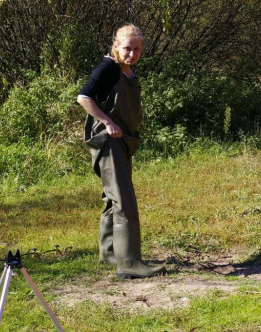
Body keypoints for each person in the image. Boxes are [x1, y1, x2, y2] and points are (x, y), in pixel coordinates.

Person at [77, 24, 166, 279]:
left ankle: (109, 253)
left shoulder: (128, 69)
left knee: (112, 197)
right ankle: (129, 263)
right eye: (127, 48)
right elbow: (84, 97)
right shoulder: (108, 67)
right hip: (109, 141)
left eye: (137, 49)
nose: (132, 54)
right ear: (116, 46)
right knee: (124, 198)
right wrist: (107, 122)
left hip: (124, 141)